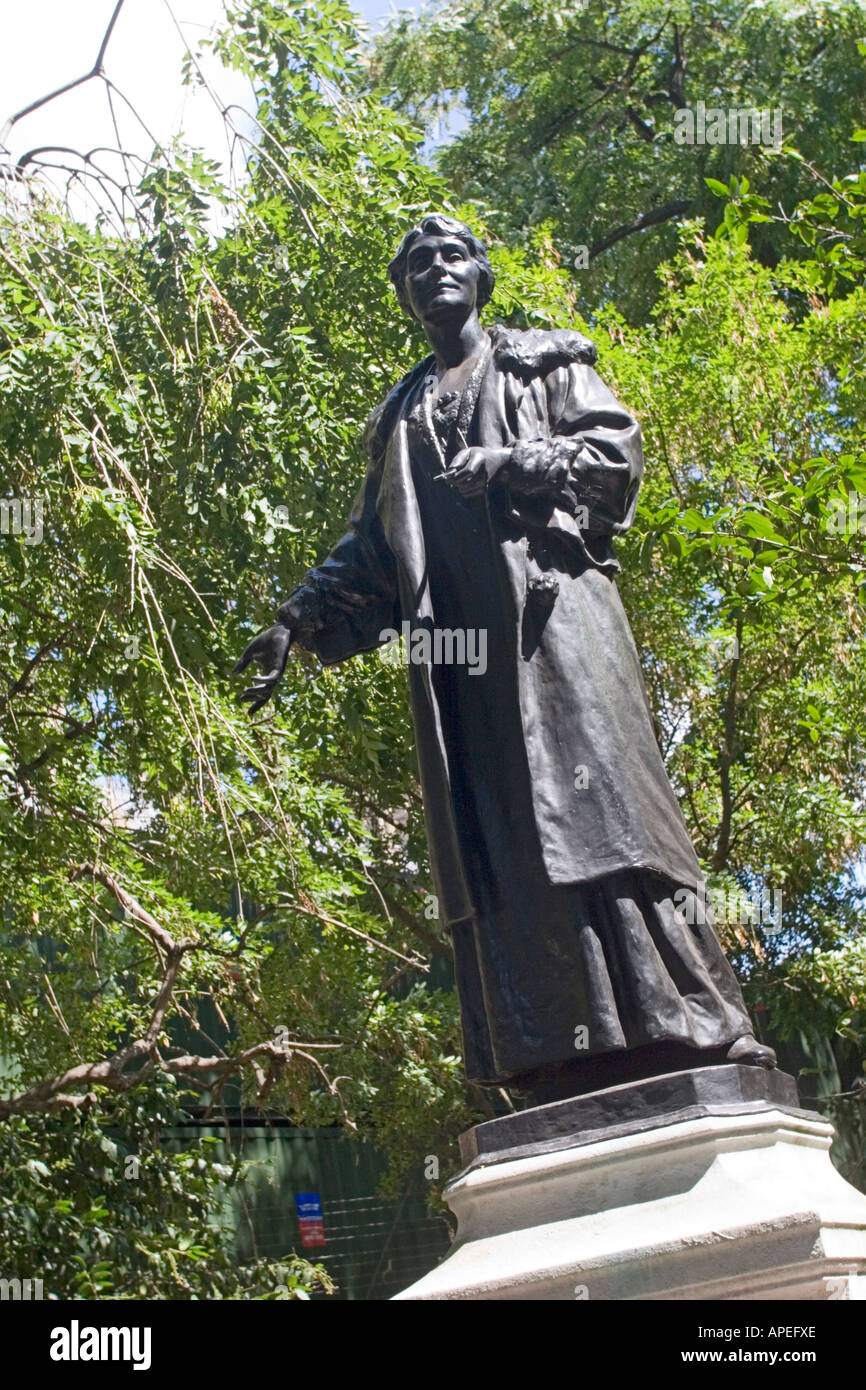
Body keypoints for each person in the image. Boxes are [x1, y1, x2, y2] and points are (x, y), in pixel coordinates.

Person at [234, 214, 775, 1104]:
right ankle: (557, 1054)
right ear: (406, 294)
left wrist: (515, 461)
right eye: (418, 266)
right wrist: (296, 619)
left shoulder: (543, 363)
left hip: (558, 640)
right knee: (507, 844)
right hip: (465, 672)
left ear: (482, 277)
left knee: (610, 819)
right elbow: (373, 550)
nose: (436, 272)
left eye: (452, 258)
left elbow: (615, 460)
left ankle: (700, 1027)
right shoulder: (403, 414)